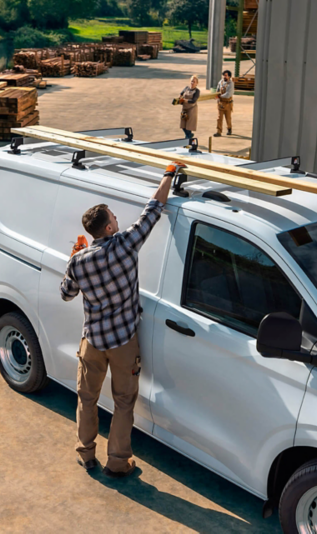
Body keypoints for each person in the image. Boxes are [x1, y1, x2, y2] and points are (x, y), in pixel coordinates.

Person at [60, 162, 185, 478]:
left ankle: (86, 455)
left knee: (87, 400)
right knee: (123, 403)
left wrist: (74, 256)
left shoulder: (79, 261)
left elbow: (66, 294)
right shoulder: (126, 245)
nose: (118, 219)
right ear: (109, 229)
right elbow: (153, 209)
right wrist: (168, 174)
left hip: (92, 342)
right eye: (114, 217)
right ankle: (117, 462)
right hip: (123, 343)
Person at [178, 75, 200, 139]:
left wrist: (184, 100)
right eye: (192, 81)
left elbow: (193, 100)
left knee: (189, 125)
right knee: (183, 125)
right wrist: (180, 97)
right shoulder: (186, 88)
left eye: (194, 82)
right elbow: (181, 93)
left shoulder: (197, 91)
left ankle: (187, 138)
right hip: (184, 108)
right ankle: (189, 135)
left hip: (192, 109)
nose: (192, 83)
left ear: (196, 83)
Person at [214, 70, 234, 137]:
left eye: (226, 75)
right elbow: (217, 90)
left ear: (229, 76)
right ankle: (218, 131)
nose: (224, 77)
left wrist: (220, 96)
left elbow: (228, 94)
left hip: (228, 103)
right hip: (221, 103)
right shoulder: (221, 82)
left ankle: (229, 128)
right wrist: (216, 95)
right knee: (219, 118)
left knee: (228, 118)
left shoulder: (231, 84)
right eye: (224, 75)